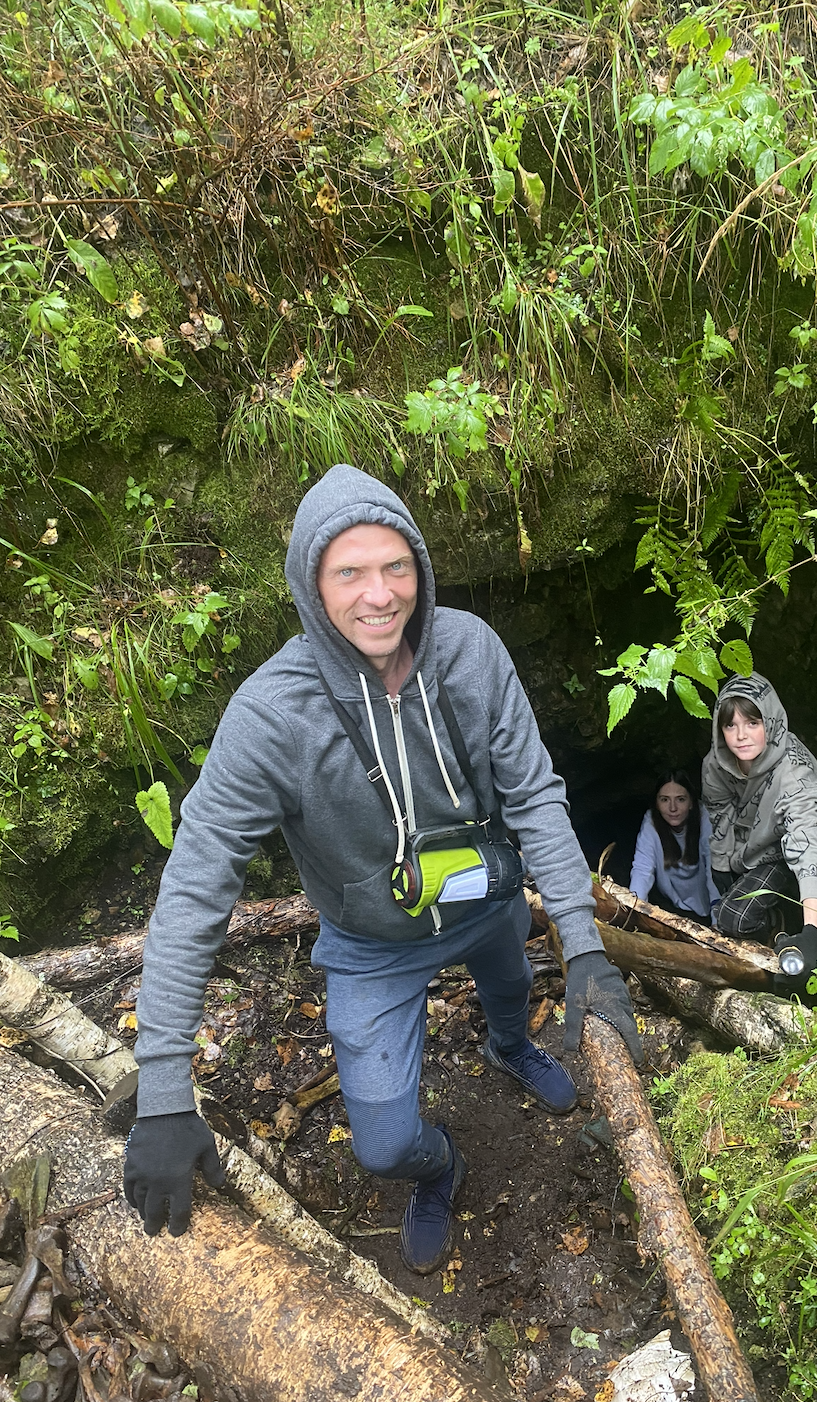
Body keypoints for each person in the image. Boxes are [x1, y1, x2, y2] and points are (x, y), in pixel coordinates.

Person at [123, 464, 643, 1275]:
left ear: (422, 568)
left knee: (512, 991)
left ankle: (509, 1046)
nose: (379, 594)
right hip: (371, 940)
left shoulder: (470, 652)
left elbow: (535, 794)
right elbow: (195, 886)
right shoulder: (271, 718)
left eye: (396, 565)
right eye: (349, 572)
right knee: (383, 1144)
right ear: (310, 584)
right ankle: (440, 1165)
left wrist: (583, 947)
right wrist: (161, 1094)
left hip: (484, 896)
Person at [701, 672, 817, 995]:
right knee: (722, 916)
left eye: (752, 723)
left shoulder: (795, 773)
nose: (741, 736)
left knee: (731, 919)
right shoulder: (716, 764)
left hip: (781, 852)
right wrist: (720, 864)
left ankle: (778, 929)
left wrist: (812, 931)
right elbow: (720, 814)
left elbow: (807, 841)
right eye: (730, 725)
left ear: (768, 722)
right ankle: (766, 942)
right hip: (746, 853)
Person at [629, 770, 719, 922]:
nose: (672, 808)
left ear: (691, 802)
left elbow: (713, 867)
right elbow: (642, 869)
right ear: (656, 803)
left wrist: (718, 916)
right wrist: (633, 910)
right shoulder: (652, 821)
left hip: (707, 904)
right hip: (670, 905)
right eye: (664, 800)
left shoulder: (705, 818)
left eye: (680, 799)